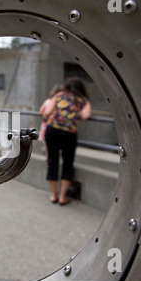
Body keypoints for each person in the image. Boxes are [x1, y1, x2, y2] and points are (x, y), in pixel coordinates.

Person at [41, 77, 92, 206]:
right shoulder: (83, 101)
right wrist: (75, 114)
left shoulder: (59, 95)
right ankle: (63, 197)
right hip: (69, 134)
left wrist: (49, 117)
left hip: (52, 131)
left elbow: (47, 112)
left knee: (53, 161)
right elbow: (86, 116)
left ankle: (53, 195)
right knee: (68, 163)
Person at [39, 85, 64, 158]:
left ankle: (48, 156)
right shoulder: (61, 102)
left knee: (47, 142)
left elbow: (41, 111)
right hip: (56, 124)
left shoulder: (48, 101)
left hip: (46, 123)